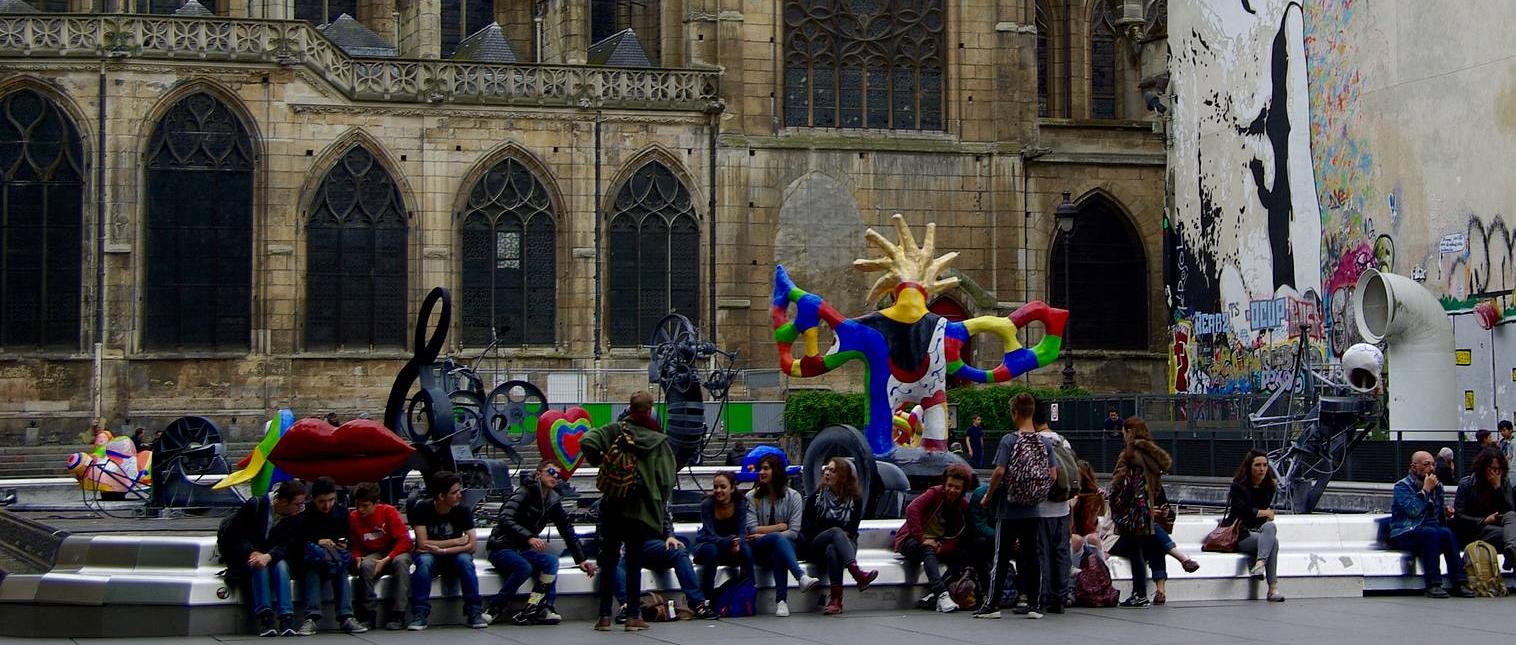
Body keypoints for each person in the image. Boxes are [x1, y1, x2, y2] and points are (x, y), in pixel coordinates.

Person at [580, 391, 678, 632]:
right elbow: (667, 479)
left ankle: (604, 617)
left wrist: (602, 460)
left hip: (613, 504)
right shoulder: (659, 440)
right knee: (634, 562)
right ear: (650, 410)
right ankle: (633, 616)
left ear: (630, 408)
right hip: (640, 509)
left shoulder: (616, 430)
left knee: (609, 561)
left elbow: (586, 441)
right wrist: (657, 497)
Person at [484, 461, 596, 626]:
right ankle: (495, 607)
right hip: (502, 546)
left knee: (551, 562)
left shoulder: (553, 500)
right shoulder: (524, 492)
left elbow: (567, 530)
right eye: (551, 472)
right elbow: (504, 517)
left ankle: (540, 606)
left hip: (523, 549)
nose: (554, 477)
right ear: (538, 474)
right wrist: (529, 536)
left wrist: (581, 560)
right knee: (524, 567)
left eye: (558, 475)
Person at [975, 392, 1055, 620]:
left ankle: (992, 605)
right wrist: (1036, 493)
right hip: (1033, 509)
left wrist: (988, 496)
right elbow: (1052, 474)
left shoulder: (1009, 440)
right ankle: (1034, 604)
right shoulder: (1044, 442)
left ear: (1016, 414)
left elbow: (1000, 471)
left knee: (1001, 556)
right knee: (1032, 556)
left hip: (1008, 509)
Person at [218, 480, 307, 637]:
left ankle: (286, 617)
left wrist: (269, 555)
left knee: (280, 566)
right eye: (297, 504)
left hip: (274, 556)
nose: (300, 508)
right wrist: (252, 552)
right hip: (247, 557)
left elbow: (289, 544)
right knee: (258, 565)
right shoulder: (256, 505)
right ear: (283, 502)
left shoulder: (295, 516)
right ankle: (265, 618)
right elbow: (236, 535)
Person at [1389, 451, 1475, 598]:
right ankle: (1433, 584)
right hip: (1405, 532)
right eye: (1426, 465)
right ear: (1414, 466)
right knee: (1431, 533)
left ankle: (1460, 581)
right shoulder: (1402, 487)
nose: (1431, 468)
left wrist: (1445, 511)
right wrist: (1425, 490)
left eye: (1432, 464)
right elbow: (1413, 511)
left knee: (1446, 533)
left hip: (1429, 530)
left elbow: (1436, 515)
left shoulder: (1438, 486)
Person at [407, 471, 486, 630]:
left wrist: (441, 550)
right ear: (441, 496)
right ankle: (420, 613)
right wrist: (456, 542)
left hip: (452, 556)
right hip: (432, 555)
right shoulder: (422, 508)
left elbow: (472, 546)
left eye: (460, 491)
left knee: (465, 561)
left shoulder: (462, 510)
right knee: (424, 562)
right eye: (455, 493)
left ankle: (474, 611)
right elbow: (422, 544)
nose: (459, 496)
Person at [1106, 416, 1170, 608]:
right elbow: (1157, 488)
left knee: (1135, 552)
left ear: (1128, 432)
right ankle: (1141, 592)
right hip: (1146, 509)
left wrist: (1114, 496)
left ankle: (1139, 593)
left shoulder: (1129, 454)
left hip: (1131, 510)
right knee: (1140, 550)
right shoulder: (1153, 456)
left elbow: (1118, 481)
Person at [802, 457, 878, 615]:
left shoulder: (855, 500)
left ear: (843, 476)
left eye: (833, 470)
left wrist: (832, 532)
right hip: (816, 545)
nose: (827, 473)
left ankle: (836, 601)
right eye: (826, 470)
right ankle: (857, 573)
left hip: (845, 544)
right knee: (836, 532)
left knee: (833, 549)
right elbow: (808, 529)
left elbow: (851, 529)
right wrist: (831, 531)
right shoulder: (815, 498)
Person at [746, 453, 818, 617]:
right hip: (758, 548)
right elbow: (751, 529)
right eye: (760, 469)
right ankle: (800, 577)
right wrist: (778, 527)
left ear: (776, 471)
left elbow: (793, 532)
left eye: (766, 469)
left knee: (779, 550)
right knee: (778, 539)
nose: (761, 473)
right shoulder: (751, 496)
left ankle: (782, 602)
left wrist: (765, 534)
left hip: (784, 547)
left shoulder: (794, 497)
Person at [895, 463, 972, 613]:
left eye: (957, 487)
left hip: (936, 544)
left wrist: (942, 547)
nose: (952, 490)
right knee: (928, 548)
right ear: (944, 484)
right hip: (911, 540)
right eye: (949, 486)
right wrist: (922, 538)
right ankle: (942, 594)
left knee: (963, 555)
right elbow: (912, 509)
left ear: (963, 490)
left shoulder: (962, 507)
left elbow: (958, 535)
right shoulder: (934, 493)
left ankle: (933, 596)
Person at [294, 477, 363, 634]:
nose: (327, 505)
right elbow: (298, 541)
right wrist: (318, 541)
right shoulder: (305, 514)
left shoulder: (342, 513)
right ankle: (313, 617)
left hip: (335, 559)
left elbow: (350, 540)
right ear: (314, 499)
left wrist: (343, 544)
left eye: (331, 500)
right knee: (313, 568)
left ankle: (345, 616)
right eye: (322, 501)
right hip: (312, 560)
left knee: (340, 568)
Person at [608, 529, 718, 622]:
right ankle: (627, 605)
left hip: (652, 543)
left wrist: (670, 536)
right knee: (614, 563)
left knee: (678, 550)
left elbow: (664, 517)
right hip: (629, 546)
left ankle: (697, 602)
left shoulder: (654, 503)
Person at [348, 481, 413, 631]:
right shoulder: (353, 517)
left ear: (376, 503)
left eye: (365, 506)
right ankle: (369, 614)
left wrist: (386, 559)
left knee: (401, 563)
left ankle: (399, 613)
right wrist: (357, 557)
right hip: (373, 553)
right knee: (366, 566)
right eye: (358, 505)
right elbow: (354, 544)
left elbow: (405, 541)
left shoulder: (388, 512)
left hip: (395, 550)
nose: (360, 509)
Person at [1227, 450, 1285, 602]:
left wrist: (1263, 514)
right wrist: (1263, 512)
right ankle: (1272, 589)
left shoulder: (1269, 488)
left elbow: (1262, 519)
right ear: (1249, 467)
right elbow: (1242, 511)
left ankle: (1260, 564)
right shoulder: (1238, 486)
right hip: (1240, 534)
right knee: (1274, 542)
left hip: (1258, 533)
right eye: (1257, 465)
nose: (1262, 469)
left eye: (1265, 465)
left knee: (1270, 528)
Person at [694, 471, 757, 607]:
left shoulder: (740, 503)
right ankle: (706, 600)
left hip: (731, 546)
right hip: (707, 545)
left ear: (732, 488)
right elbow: (710, 534)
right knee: (712, 551)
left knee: (746, 550)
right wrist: (729, 541)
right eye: (715, 487)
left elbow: (742, 530)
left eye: (723, 487)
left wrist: (738, 542)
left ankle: (749, 594)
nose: (718, 490)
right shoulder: (707, 504)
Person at [1033, 405, 1073, 613]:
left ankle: (1045, 597)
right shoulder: (1062, 440)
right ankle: (1061, 596)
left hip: (1041, 507)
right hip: (1063, 507)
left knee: (1043, 553)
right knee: (1061, 553)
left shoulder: (1036, 442)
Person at [1452, 448, 1516, 567]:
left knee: (1511, 519)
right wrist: (1484, 521)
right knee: (1509, 535)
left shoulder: (1504, 482)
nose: (1496, 473)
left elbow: (1509, 510)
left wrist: (1498, 488)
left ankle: (1511, 551)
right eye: (1492, 469)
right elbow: (1459, 517)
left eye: (1499, 470)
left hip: (1500, 526)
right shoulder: (1466, 484)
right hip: (1476, 530)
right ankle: (1512, 549)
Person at [1499, 421, 1516, 487]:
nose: (1502, 433)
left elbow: (1514, 459)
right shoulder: (1502, 442)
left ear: (1511, 430)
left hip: (1511, 471)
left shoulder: (1514, 442)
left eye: (1504, 430)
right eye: (1500, 431)